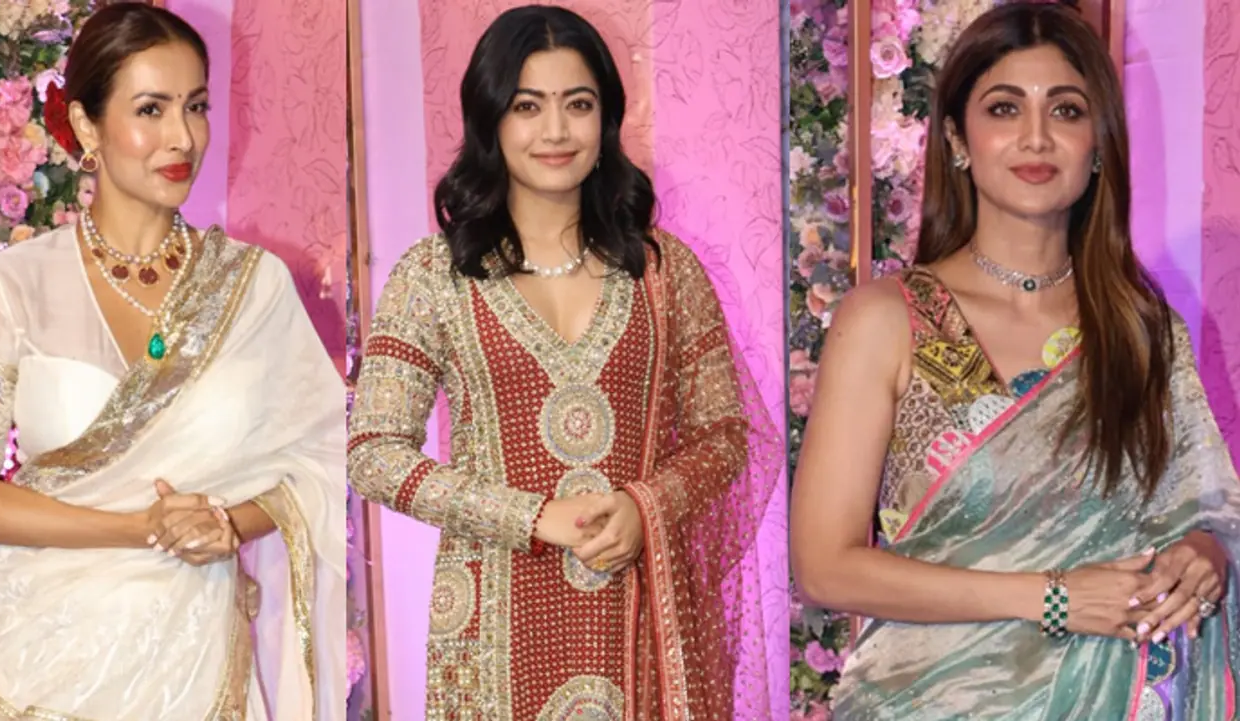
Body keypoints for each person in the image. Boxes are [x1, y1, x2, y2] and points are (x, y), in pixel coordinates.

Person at [791, 3, 1239, 719]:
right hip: (925, 701)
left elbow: (1207, 512)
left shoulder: (1141, 329)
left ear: (1098, 144)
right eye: (1004, 108)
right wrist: (1052, 598)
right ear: (956, 139)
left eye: (1066, 110)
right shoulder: (888, 320)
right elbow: (824, 566)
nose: (1036, 136)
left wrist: (1205, 555)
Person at [348, 5, 779, 718]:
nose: (555, 131)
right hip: (494, 619)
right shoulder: (435, 275)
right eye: (527, 107)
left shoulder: (663, 271)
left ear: (605, 119)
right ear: (490, 120)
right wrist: (533, 517)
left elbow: (725, 434)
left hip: (640, 610)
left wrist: (646, 507)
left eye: (578, 105)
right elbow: (374, 454)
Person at [0, 4, 345, 718]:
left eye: (196, 106)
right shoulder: (16, 285)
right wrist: (142, 527)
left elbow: (316, 461)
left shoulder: (250, 288)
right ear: (86, 127)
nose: (182, 137)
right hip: (34, 667)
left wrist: (229, 524)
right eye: (151, 109)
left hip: (193, 661)